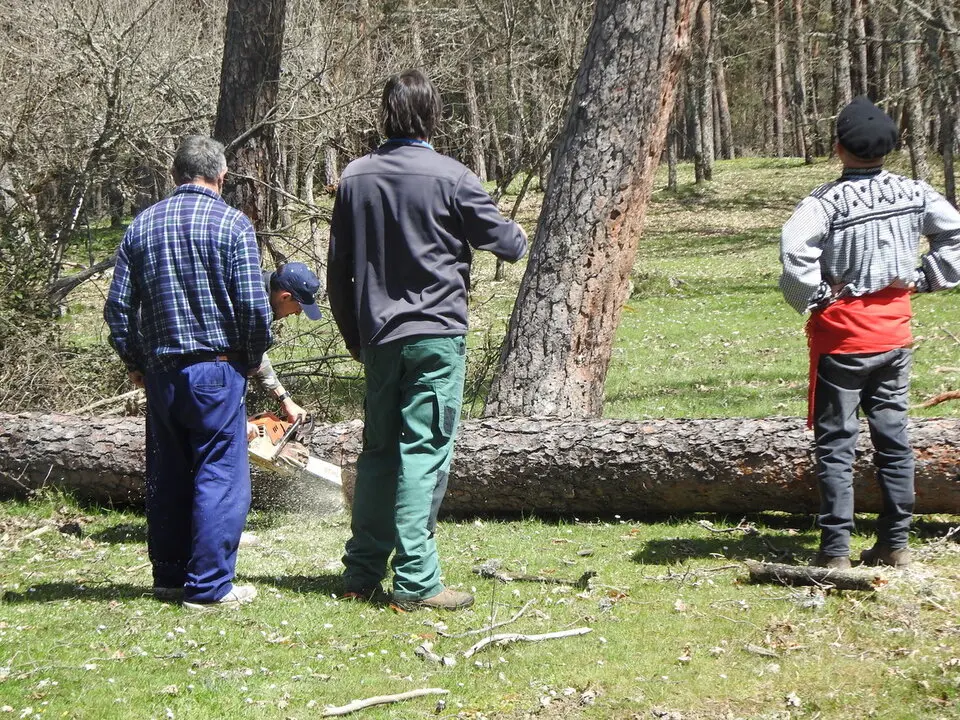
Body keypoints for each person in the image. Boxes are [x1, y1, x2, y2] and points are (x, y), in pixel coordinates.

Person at [327, 69, 528, 610]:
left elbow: (338, 270)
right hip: (436, 335)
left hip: (379, 336)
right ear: (432, 116)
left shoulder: (355, 177)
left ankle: (361, 571)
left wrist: (354, 336)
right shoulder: (451, 175)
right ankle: (416, 580)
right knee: (424, 452)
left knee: (377, 454)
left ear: (385, 114)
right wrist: (520, 235)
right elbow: (506, 244)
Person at [779, 96, 960, 570]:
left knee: (836, 443)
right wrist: (927, 277)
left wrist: (814, 297)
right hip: (895, 334)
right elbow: (954, 234)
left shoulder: (826, 201)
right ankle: (895, 544)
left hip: (843, 338)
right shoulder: (916, 193)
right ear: (890, 148)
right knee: (893, 438)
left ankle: (835, 551)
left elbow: (795, 252)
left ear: (838, 148)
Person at [104, 135, 272, 609]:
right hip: (217, 369)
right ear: (221, 177)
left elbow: (117, 309)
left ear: (174, 175)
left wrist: (135, 362)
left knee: (170, 473)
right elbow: (255, 309)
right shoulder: (233, 225)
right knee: (220, 475)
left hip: (162, 373)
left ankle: (171, 578)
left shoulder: (140, 227)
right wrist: (251, 358)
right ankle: (211, 587)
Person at [249, 261, 324, 427]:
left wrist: (285, 400)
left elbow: (257, 353)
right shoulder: (254, 307)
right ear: (285, 297)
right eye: (298, 306)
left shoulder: (263, 288)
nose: (298, 313)